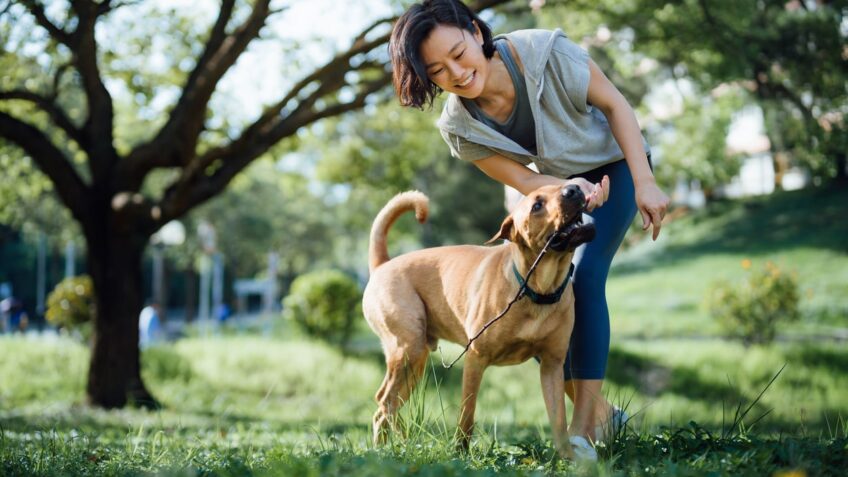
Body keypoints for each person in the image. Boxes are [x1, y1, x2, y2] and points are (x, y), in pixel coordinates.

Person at [389, 0, 670, 459]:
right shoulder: (459, 127)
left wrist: (645, 181)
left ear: (477, 33)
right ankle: (602, 415)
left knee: (582, 276)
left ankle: (583, 431)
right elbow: (523, 181)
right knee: (537, 298)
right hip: (554, 191)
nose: (456, 74)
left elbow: (616, 106)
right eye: (437, 71)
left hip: (617, 165)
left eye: (459, 54)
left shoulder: (546, 54)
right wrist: (567, 190)